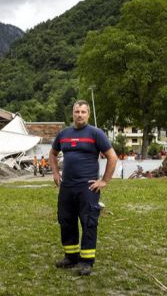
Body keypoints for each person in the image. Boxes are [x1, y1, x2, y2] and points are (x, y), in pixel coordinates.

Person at [49, 100, 117, 276]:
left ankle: (86, 261)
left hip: (87, 188)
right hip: (67, 187)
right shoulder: (63, 134)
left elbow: (112, 157)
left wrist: (104, 181)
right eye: (77, 111)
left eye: (83, 112)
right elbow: (53, 153)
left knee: (88, 223)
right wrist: (56, 173)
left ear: (88, 114)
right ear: (72, 113)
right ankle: (71, 257)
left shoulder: (96, 133)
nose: (79, 115)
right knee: (66, 221)